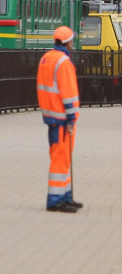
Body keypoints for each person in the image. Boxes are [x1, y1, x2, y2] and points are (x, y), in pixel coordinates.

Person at [36, 26, 83, 213]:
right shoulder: (63, 63)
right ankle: (56, 200)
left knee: (61, 157)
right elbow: (69, 93)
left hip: (51, 116)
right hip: (63, 118)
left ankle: (65, 196)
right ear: (68, 42)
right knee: (61, 158)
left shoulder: (46, 59)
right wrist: (72, 118)